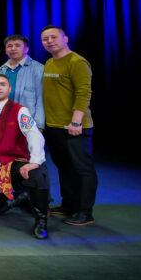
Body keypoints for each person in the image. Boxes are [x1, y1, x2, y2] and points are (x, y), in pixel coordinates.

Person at [0, 75, 50, 239]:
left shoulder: (20, 110)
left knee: (35, 174)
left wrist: (35, 161)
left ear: (9, 89)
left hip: (13, 161)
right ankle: (23, 197)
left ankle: (41, 221)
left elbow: (33, 134)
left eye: (2, 84)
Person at [41, 25, 97, 226]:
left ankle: (85, 212)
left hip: (74, 126)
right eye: (45, 39)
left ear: (65, 38)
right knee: (64, 167)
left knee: (82, 169)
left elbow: (84, 93)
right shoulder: (49, 63)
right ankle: (69, 205)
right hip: (54, 126)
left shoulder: (77, 62)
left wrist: (76, 121)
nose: (49, 41)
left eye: (54, 37)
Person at [0, 34, 45, 128]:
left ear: (26, 49)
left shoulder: (38, 69)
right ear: (5, 50)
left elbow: (41, 98)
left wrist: (39, 125)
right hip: (3, 120)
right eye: (9, 46)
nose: (13, 49)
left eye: (17, 45)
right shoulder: (2, 69)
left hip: (28, 122)